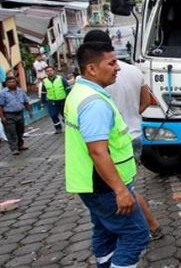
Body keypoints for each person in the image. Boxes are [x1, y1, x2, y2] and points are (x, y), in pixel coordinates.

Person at [64, 41, 149, 267]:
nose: (118, 68)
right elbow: (98, 152)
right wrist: (120, 190)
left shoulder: (79, 92)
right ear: (91, 68)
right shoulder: (94, 103)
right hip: (106, 187)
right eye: (111, 63)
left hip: (92, 185)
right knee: (136, 235)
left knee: (104, 232)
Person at [83, 29, 163, 240]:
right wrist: (130, 117)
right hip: (134, 135)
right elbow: (146, 102)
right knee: (125, 187)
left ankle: (150, 226)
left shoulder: (93, 80)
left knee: (121, 190)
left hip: (108, 144)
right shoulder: (133, 71)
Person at [0, 76, 32, 155]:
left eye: (13, 81)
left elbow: (26, 102)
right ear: (6, 84)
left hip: (20, 113)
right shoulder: (3, 93)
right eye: (10, 82)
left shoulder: (20, 91)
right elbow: (0, 106)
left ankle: (20, 145)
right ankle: (14, 148)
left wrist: (29, 111)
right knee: (11, 131)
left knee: (20, 130)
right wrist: (2, 117)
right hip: (8, 115)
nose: (12, 83)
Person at [41, 66, 71, 134]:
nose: (49, 72)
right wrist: (42, 102)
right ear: (46, 73)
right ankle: (58, 128)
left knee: (65, 115)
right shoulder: (45, 81)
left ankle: (69, 126)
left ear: (54, 71)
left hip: (63, 101)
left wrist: (69, 99)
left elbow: (68, 89)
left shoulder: (61, 79)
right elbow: (43, 92)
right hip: (51, 101)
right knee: (53, 115)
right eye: (47, 71)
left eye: (51, 70)